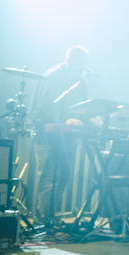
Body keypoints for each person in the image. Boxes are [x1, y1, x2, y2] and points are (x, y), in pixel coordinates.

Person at [29, 45, 95, 223]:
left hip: (66, 136)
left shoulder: (81, 81)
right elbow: (44, 107)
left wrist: (92, 117)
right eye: (80, 63)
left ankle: (49, 212)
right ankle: (45, 217)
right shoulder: (52, 76)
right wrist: (64, 120)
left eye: (85, 64)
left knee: (65, 175)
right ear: (69, 60)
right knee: (48, 175)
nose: (82, 68)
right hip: (47, 134)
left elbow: (81, 108)